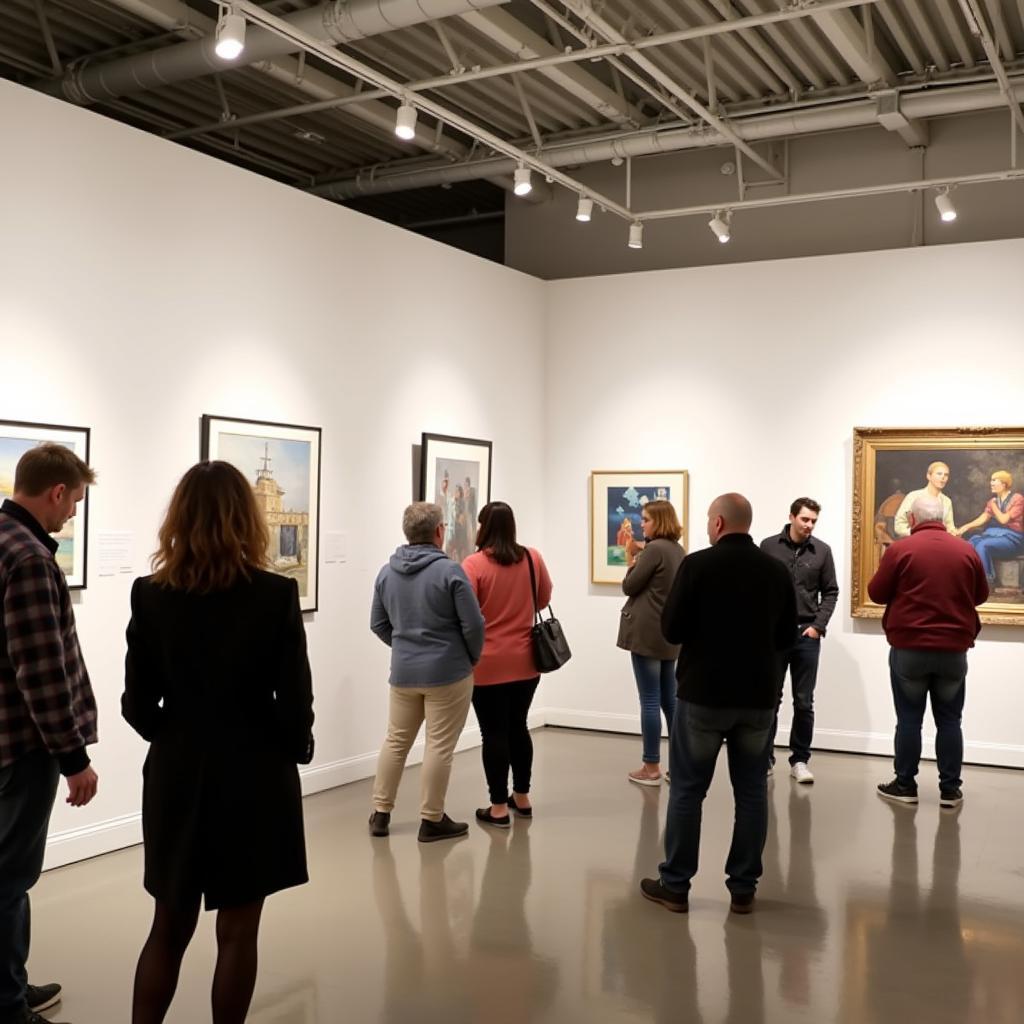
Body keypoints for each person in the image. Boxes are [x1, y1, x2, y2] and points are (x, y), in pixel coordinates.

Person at [122, 461, 314, 1024]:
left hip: (177, 773)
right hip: (253, 774)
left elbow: (136, 705)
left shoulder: (151, 595)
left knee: (168, 926)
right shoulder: (276, 594)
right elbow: (295, 701)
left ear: (179, 517)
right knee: (237, 930)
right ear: (247, 517)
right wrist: (289, 748)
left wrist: (179, 739)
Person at [640, 493, 795, 915]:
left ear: (720, 523)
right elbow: (786, 638)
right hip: (758, 700)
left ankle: (675, 886)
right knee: (751, 793)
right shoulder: (775, 571)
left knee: (688, 792)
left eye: (709, 519)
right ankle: (743, 888)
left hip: (703, 696)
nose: (707, 525)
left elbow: (671, 631)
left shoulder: (698, 566)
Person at [0, 443, 98, 1024]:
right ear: (56, 492)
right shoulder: (31, 559)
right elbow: (40, 670)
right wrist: (73, 758)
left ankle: (11, 982)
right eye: (75, 501)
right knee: (10, 878)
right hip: (25, 745)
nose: (74, 515)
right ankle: (8, 1004)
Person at [369, 502, 484, 842]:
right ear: (438, 532)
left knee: (396, 740)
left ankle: (381, 813)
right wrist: (470, 657)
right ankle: (431, 819)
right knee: (439, 745)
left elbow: (377, 624)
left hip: (403, 673)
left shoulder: (386, 572)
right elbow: (473, 625)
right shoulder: (450, 572)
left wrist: (405, 647)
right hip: (448, 672)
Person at [868, 495, 988, 808]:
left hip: (909, 649)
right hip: (953, 650)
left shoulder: (901, 549)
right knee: (950, 721)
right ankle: (950, 790)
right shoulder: (965, 550)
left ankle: (905, 785)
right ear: (942, 518)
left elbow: (876, 593)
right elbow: (981, 595)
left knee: (909, 720)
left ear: (912, 520)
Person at [462, 502, 552, 827]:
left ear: (484, 526)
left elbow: (466, 614)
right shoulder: (532, 558)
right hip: (527, 662)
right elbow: (543, 599)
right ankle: (523, 797)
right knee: (518, 726)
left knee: (493, 733)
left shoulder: (473, 565)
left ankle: (498, 807)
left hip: (486, 664)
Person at [760, 497, 839, 784]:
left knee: (804, 701)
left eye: (813, 521)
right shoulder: (768, 547)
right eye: (805, 519)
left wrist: (818, 626)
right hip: (774, 635)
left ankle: (800, 760)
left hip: (807, 634)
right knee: (771, 699)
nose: (809, 525)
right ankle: (764, 757)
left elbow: (831, 591)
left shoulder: (822, 551)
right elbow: (757, 587)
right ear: (792, 516)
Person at [615, 499, 685, 786]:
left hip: (646, 634)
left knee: (650, 700)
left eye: (645, 519)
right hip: (669, 635)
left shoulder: (654, 549)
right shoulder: (677, 550)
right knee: (671, 701)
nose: (641, 523)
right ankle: (680, 766)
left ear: (658, 521)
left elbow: (629, 586)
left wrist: (631, 558)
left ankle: (651, 766)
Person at [953, 470, 1024, 584]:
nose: (991, 483)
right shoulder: (994, 501)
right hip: (996, 536)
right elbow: (983, 518)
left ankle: (987, 580)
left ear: (1004, 484)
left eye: (994, 480)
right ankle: (968, 577)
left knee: (983, 545)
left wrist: (993, 505)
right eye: (991, 480)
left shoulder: (1017, 499)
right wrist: (965, 527)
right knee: (972, 542)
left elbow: (1003, 519)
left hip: (1014, 539)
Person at [893, 462, 955, 537]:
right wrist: (916, 533)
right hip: (915, 541)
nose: (943, 477)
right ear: (929, 476)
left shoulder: (946, 501)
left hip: (938, 541)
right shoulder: (913, 496)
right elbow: (899, 524)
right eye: (939, 474)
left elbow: (950, 527)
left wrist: (952, 532)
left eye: (946, 475)